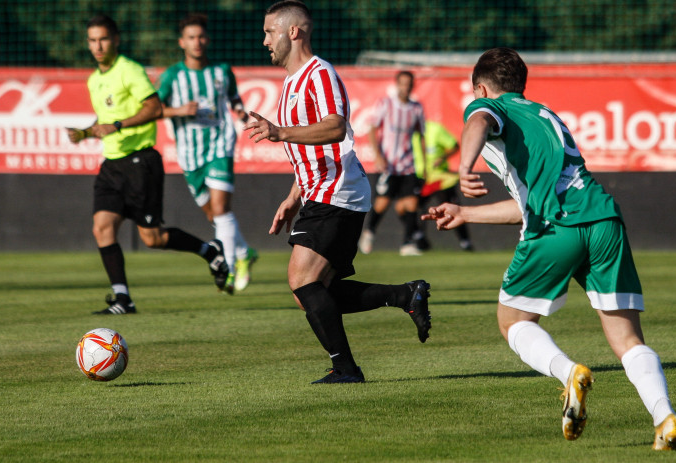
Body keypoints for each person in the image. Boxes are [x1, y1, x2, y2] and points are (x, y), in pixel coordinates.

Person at [422, 47, 676, 450]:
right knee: (627, 338)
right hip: (603, 219)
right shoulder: (547, 116)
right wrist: (466, 213)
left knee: (512, 321)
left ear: (481, 87)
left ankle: (568, 374)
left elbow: (477, 121)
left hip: (558, 226)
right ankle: (665, 418)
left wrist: (463, 167)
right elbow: (526, 203)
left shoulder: (490, 107)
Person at [244, 0, 431, 384]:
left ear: (293, 32)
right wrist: (293, 196)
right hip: (318, 191)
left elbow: (335, 128)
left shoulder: (319, 73)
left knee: (302, 281)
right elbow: (310, 146)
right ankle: (404, 295)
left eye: (269, 32)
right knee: (310, 292)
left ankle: (346, 368)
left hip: (337, 190)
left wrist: (279, 132)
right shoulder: (291, 84)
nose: (265, 40)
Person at [67, 14, 230, 314]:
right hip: (112, 164)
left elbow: (154, 107)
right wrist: (88, 132)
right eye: (92, 40)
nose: (98, 46)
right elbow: (105, 121)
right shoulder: (94, 79)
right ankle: (122, 299)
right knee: (102, 228)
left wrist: (116, 125)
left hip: (141, 163)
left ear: (115, 39)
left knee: (152, 238)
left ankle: (210, 251)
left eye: (103, 38)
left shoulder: (129, 70)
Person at [157, 13, 258, 295]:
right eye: (191, 37)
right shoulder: (173, 76)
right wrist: (179, 111)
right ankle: (244, 252)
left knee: (221, 209)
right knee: (213, 214)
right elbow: (154, 109)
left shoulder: (222, 70)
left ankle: (226, 267)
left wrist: (239, 112)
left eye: (201, 36)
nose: (197, 42)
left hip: (220, 145)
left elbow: (234, 96)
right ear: (181, 42)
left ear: (207, 39)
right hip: (190, 154)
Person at [358, 70, 426, 256]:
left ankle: (407, 244)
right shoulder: (386, 104)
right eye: (403, 83)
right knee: (382, 203)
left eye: (409, 83)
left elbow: (421, 136)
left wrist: (425, 164)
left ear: (413, 85)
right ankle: (369, 232)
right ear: (397, 85)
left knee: (412, 203)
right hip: (388, 165)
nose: (406, 87)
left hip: (408, 165)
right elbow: (372, 129)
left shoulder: (417, 108)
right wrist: (378, 155)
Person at [412, 120, 473, 252]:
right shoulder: (406, 134)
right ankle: (419, 242)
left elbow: (454, 145)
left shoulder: (434, 129)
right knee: (415, 209)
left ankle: (465, 242)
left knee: (452, 210)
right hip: (419, 178)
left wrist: (442, 158)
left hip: (440, 178)